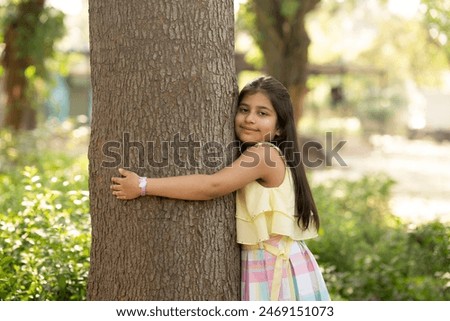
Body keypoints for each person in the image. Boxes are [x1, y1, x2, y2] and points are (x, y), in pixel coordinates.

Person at [110, 76, 330, 301]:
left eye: (262, 113)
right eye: (244, 109)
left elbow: (212, 185)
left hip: (275, 268)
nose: (249, 119)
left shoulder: (264, 154)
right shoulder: (266, 154)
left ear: (280, 128)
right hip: (273, 263)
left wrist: (143, 185)